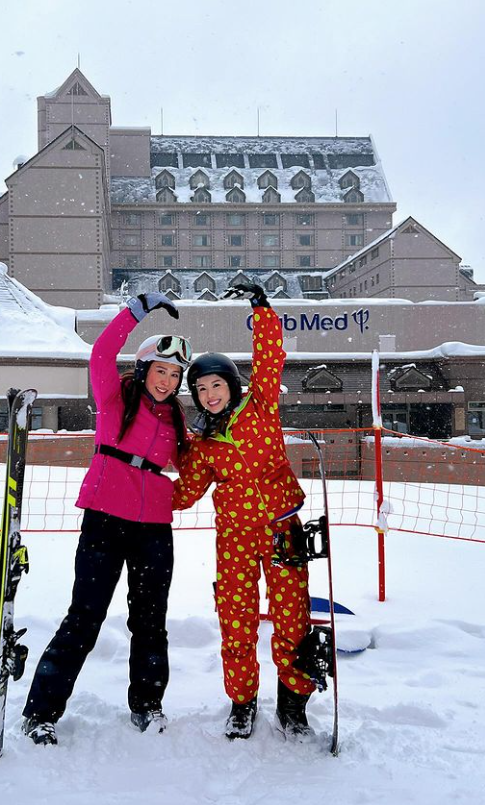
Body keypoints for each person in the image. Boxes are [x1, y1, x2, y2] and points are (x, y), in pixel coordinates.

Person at [22, 292, 192, 745]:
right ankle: (41, 712)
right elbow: (100, 352)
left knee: (151, 620)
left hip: (154, 528)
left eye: (175, 375)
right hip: (104, 520)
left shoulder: (176, 419)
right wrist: (137, 309)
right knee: (85, 616)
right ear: (144, 370)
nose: (168, 381)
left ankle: (148, 706)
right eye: (161, 370)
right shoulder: (115, 401)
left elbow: (199, 468)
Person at [172, 281, 317, 741]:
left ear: (232, 386)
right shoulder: (204, 444)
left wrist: (262, 308)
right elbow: (186, 492)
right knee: (236, 622)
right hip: (233, 539)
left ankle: (294, 703)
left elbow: (271, 355)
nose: (209, 394)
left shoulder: (261, 407)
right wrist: (135, 495)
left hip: (280, 530)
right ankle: (242, 702)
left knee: (292, 620)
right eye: (200, 388)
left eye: (216, 384)